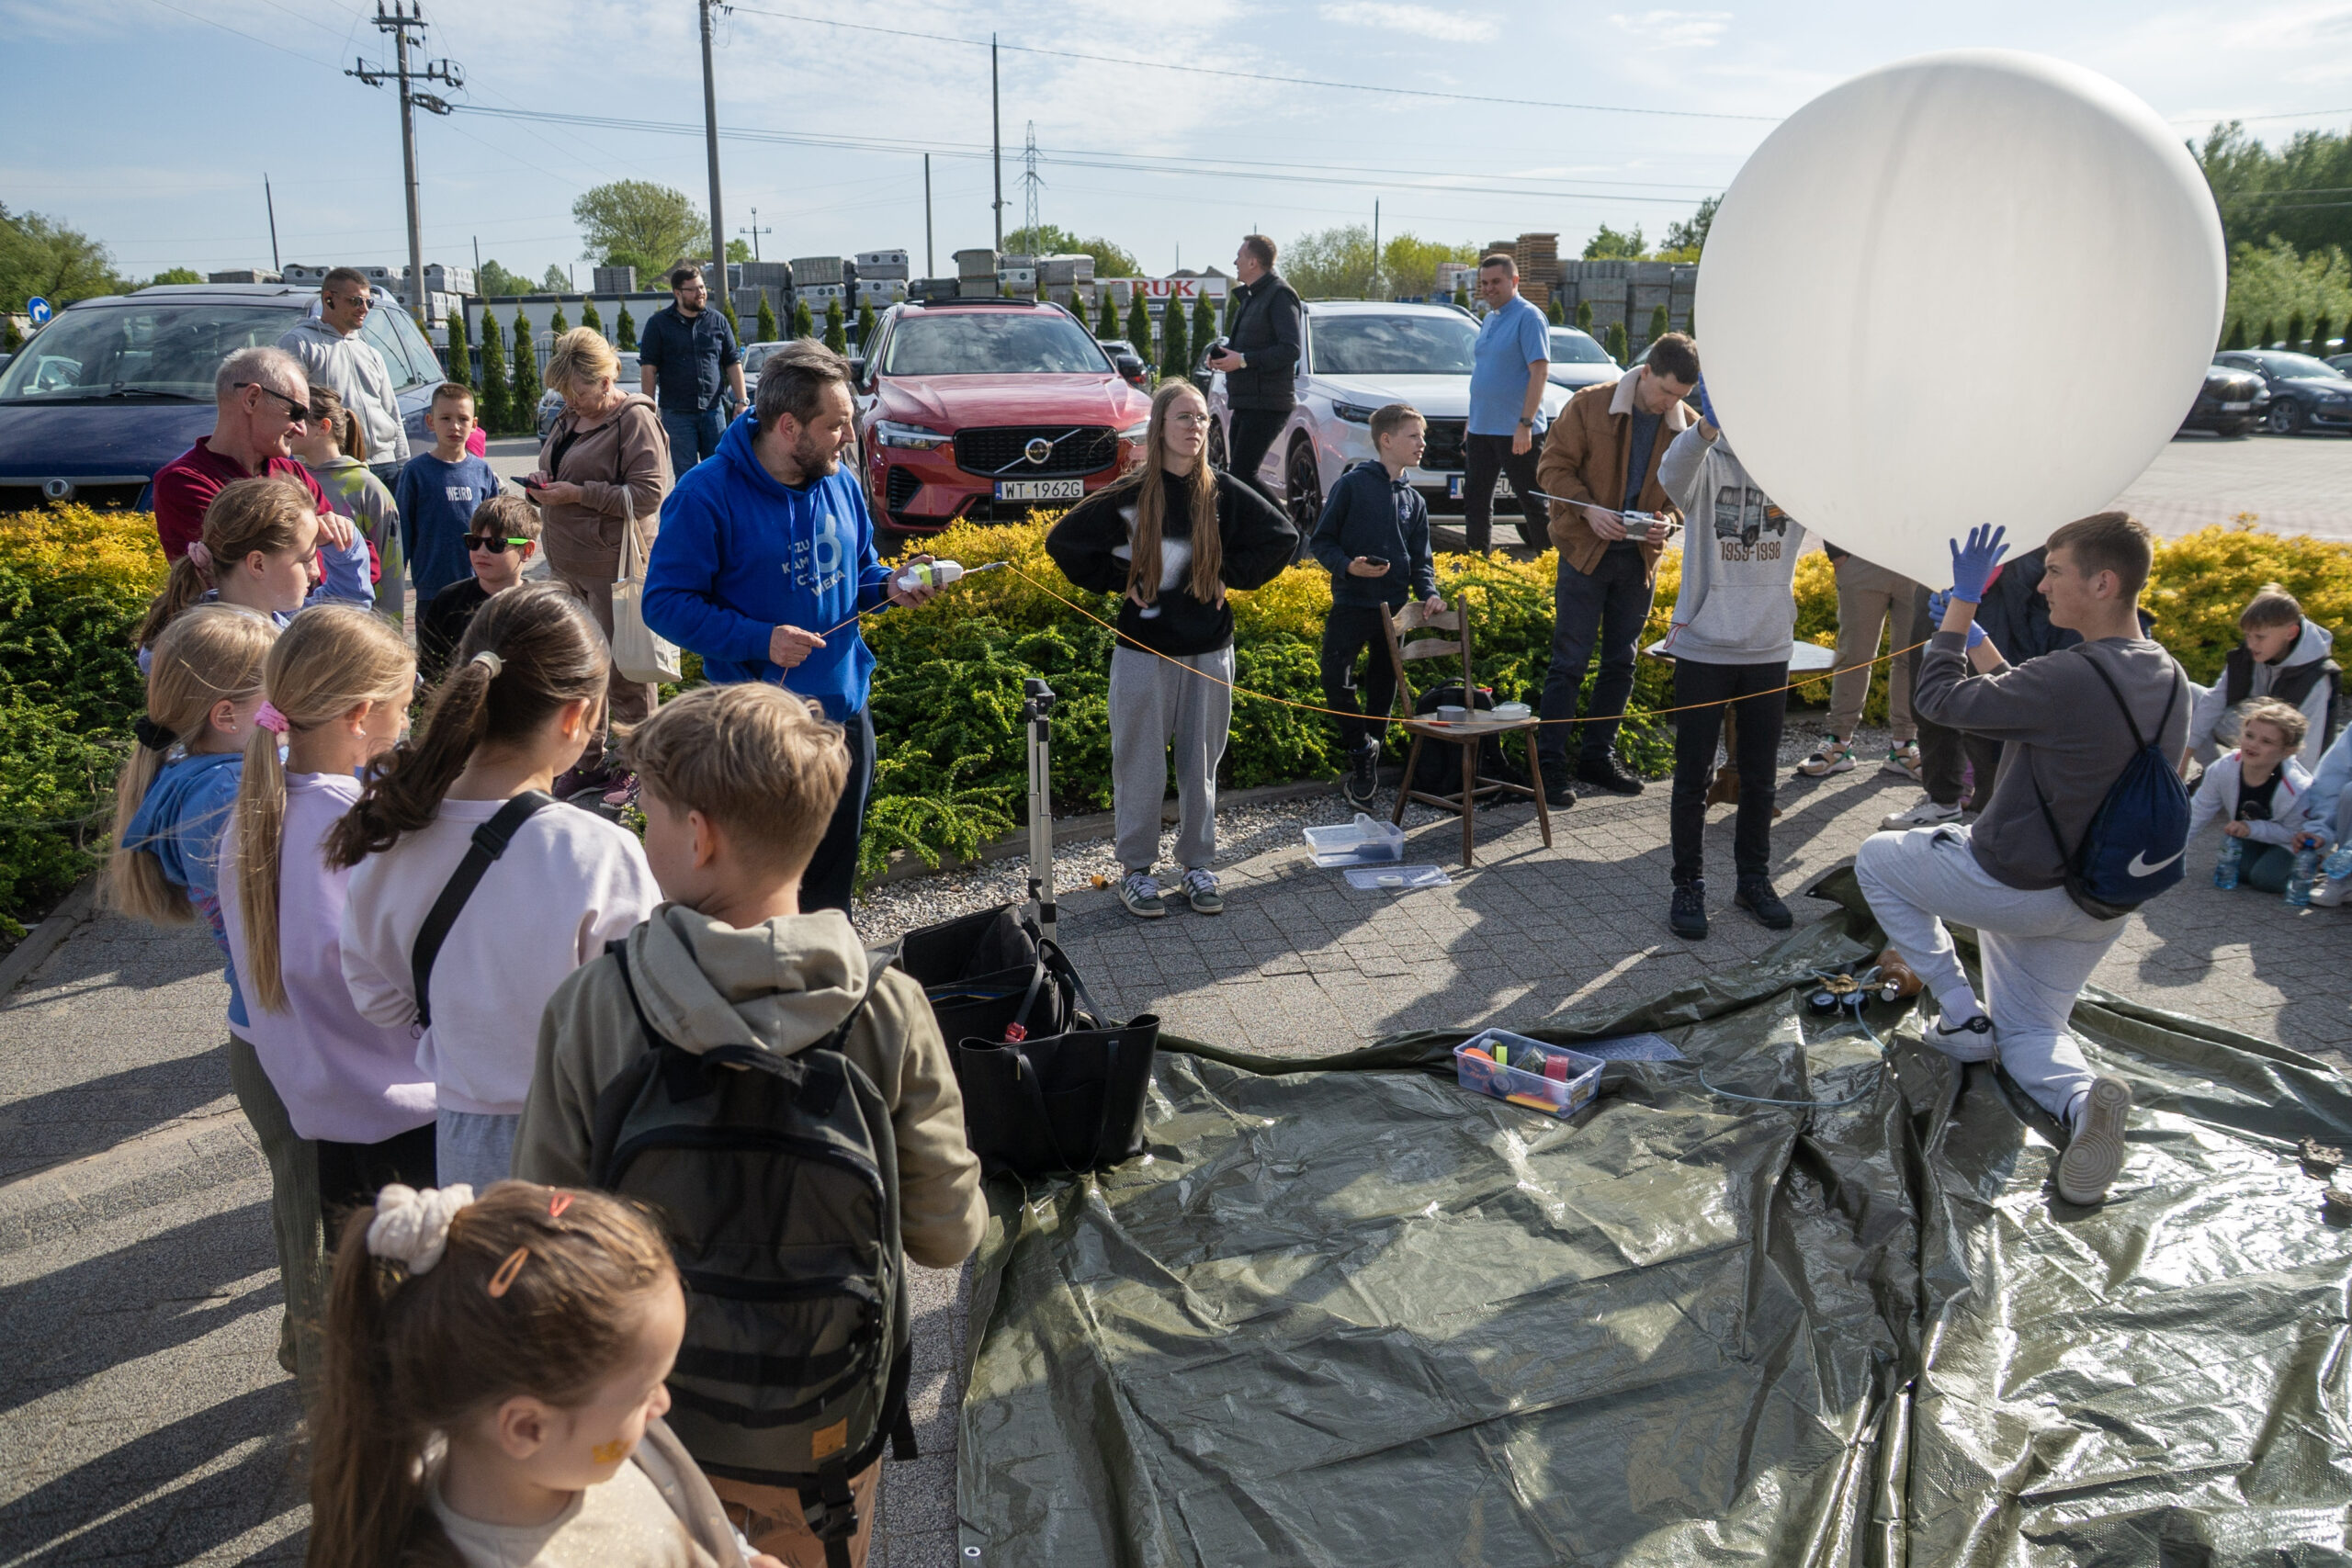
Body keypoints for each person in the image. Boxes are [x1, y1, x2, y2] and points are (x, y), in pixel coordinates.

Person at [515, 683, 987, 1568]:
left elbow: (548, 1235)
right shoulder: (888, 1007)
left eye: (648, 815)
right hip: (825, 1431)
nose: (641, 831)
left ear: (698, 837)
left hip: (650, 1425)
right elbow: (948, 1233)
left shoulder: (594, 1006)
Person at [1855, 513, 2190, 1207]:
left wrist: (1960, 608)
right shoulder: (2166, 673)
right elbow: (2042, 708)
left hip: (2016, 886)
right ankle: (2082, 1104)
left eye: (2056, 571)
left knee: (1878, 857)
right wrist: (1981, 643)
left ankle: (1960, 1015)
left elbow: (1936, 700)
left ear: (2103, 582)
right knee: (2033, 1032)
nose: (2041, 585)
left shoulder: (2070, 674)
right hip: (2099, 902)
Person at [331, 584, 660, 1194]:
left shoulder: (393, 836)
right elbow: (641, 1019)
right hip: (585, 1136)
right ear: (576, 716)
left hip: (463, 1136)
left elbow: (379, 1002)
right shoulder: (599, 852)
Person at [307, 1181, 785, 1568]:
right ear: (527, 1427)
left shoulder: (592, 1449)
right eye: (644, 1391)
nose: (662, 1403)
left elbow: (682, 1523)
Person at [644, 340, 940, 917]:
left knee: (831, 892)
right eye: (835, 425)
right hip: (756, 734)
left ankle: (827, 966)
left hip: (844, 716)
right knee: (760, 897)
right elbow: (664, 604)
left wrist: (889, 586)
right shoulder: (705, 495)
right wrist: (760, 639)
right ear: (788, 426)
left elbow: (858, 574)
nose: (849, 437)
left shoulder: (840, 483)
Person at [109, 608, 314, 1376]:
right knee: (309, 1209)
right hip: (281, 1034)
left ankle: (314, 1340)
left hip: (260, 1028)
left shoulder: (201, 778)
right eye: (277, 698)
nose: (290, 713)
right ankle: (320, 1361)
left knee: (303, 1196)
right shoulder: (226, 794)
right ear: (227, 716)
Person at [220, 607, 433, 1280]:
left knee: (362, 1291)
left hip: (325, 1105)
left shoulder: (255, 812)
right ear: (360, 714)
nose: (407, 722)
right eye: (404, 707)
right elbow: (379, 970)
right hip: (403, 1106)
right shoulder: (354, 825)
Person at [1046, 380, 1297, 919]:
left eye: (1202, 417)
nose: (1194, 427)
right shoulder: (1130, 493)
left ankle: (1197, 866)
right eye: (1183, 416)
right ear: (1159, 425)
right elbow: (1062, 543)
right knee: (1139, 765)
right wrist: (1121, 578)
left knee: (1200, 766)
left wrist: (1228, 573)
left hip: (1209, 652)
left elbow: (1282, 538)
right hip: (1143, 652)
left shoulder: (1223, 491)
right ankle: (1136, 872)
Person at [1654, 391, 1804, 939]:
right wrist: (1705, 429)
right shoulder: (1705, 462)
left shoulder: (1796, 471)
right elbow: (1671, 472)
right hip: (1704, 645)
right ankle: (1688, 884)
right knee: (1691, 777)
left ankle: (1753, 881)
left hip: (1768, 646)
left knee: (1761, 778)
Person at [1532, 331, 1701, 805]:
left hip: (1639, 558)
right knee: (1569, 662)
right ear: (1646, 372)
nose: (1670, 404)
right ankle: (1548, 766)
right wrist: (1588, 509)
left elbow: (1688, 495)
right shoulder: (1589, 404)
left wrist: (1668, 522)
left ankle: (1597, 758)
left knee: (1621, 663)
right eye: (1665, 391)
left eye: (1681, 397)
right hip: (1584, 551)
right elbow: (1551, 469)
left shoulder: (1688, 425)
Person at [526, 328, 673, 804]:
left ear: (607, 380)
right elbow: (562, 466)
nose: (571, 401)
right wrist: (543, 482)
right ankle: (587, 762)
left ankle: (633, 766)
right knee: (580, 670)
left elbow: (649, 494)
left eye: (579, 392)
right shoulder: (570, 416)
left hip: (615, 566)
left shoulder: (635, 419)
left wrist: (578, 494)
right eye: (564, 393)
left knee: (626, 671)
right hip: (567, 564)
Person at [1307, 402, 1444, 807]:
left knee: (1383, 692)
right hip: (1352, 603)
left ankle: (1367, 770)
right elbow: (1322, 541)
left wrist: (1430, 592)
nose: (1422, 443)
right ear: (1386, 440)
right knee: (1335, 680)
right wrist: (1348, 566)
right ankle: (1361, 748)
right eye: (1413, 436)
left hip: (1395, 612)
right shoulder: (1352, 485)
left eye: (1422, 436)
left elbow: (1421, 560)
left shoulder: (1414, 501)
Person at [135, 475, 374, 665]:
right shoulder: (237, 651)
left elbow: (346, 608)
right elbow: (347, 608)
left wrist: (342, 540)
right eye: (304, 560)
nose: (314, 573)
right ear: (258, 564)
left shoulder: (271, 617)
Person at [151, 344, 345, 564]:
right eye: (296, 413)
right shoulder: (183, 482)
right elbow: (257, 570)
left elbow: (360, 558)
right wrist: (319, 540)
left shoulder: (293, 472)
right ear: (252, 399)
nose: (301, 429)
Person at [277, 267, 410, 490]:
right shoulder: (299, 344)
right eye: (356, 301)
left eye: (369, 302)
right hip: (332, 465)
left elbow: (391, 411)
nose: (364, 309)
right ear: (328, 299)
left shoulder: (371, 352)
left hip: (385, 464)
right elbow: (286, 409)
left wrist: (403, 463)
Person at [1797, 548, 1920, 781]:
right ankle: (1839, 742)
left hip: (1917, 563)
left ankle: (1904, 745)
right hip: (1863, 558)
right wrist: (1838, 556)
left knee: (1910, 658)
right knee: (1854, 657)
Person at [2186, 582, 2339, 767]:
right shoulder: (2252, 651)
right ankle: (2214, 770)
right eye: (2248, 636)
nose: (2251, 644)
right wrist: (2186, 756)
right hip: (2250, 729)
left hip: (2282, 754)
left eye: (2260, 637)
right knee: (2188, 693)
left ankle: (2244, 778)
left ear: (2291, 633)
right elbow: (2215, 700)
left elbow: (2307, 752)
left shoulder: (2316, 677)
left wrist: (2283, 782)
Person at [1459, 254, 1553, 555]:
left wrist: (1525, 423)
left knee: (1534, 504)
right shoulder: (1489, 319)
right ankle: (1478, 568)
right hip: (1481, 429)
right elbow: (1486, 374)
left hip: (1516, 431)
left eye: (1496, 282)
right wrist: (1471, 421)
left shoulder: (1529, 317)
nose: (1489, 289)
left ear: (1514, 281)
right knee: (1475, 502)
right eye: (1484, 283)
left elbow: (1539, 371)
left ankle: (1551, 570)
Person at [1203, 235, 1303, 506]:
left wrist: (1243, 360)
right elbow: (1246, 347)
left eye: (1239, 256)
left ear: (1253, 262)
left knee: (1243, 474)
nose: (1235, 262)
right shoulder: (1251, 297)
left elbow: (1291, 349)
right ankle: (1254, 531)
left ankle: (1287, 528)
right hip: (1247, 401)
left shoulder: (1280, 294)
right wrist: (1224, 356)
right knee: (1238, 476)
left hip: (1268, 403)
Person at [2187, 697, 2320, 894]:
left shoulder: (2296, 787)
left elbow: (2294, 832)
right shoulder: (2223, 768)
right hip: (2256, 834)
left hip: (2292, 841)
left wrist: (2251, 828)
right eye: (2249, 735)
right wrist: (2171, 851)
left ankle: (2316, 870)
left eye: (2266, 741)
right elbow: (2199, 810)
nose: (2253, 745)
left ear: (2287, 751)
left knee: (2265, 879)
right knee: (2237, 871)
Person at [296, 385, 403, 624]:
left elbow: (391, 571)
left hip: (356, 626)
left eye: (299, 416)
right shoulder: (290, 479)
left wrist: (389, 631)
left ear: (323, 427)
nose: (292, 425)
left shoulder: (368, 488)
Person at [395, 383, 502, 611]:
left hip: (477, 583)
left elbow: (495, 528)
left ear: (474, 425)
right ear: (430, 422)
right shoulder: (415, 472)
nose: (454, 426)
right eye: (445, 418)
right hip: (431, 588)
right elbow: (402, 530)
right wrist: (394, 579)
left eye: (463, 419)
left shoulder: (482, 471)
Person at [419, 493, 541, 685]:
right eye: (474, 542)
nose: (481, 552)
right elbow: (429, 669)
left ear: (527, 550)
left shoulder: (540, 608)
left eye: (495, 544)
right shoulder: (448, 600)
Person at [639, 263, 745, 473]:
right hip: (677, 415)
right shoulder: (658, 324)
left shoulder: (718, 321)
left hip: (713, 412)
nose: (701, 293)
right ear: (677, 293)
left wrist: (741, 401)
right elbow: (648, 368)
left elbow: (733, 362)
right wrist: (649, 409)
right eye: (694, 289)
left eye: (702, 287)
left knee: (718, 471)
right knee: (687, 475)